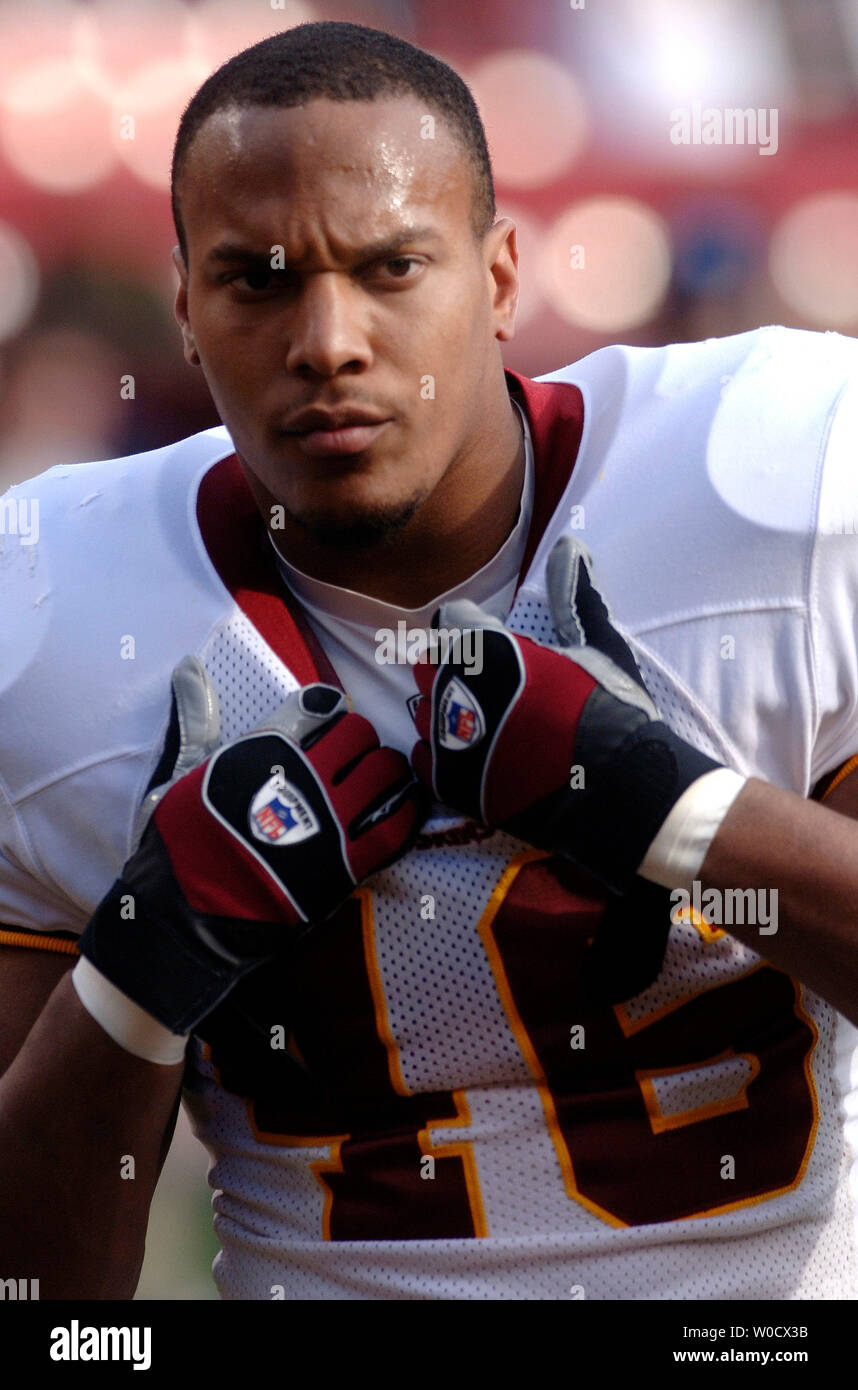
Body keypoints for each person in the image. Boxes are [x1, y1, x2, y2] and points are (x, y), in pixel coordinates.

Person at [1, 20, 858, 1303]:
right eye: (259, 280)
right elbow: (44, 1312)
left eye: (392, 266)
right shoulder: (53, 609)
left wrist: (684, 815)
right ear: (185, 308)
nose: (329, 340)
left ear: (502, 277)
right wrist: (145, 969)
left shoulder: (771, 479)